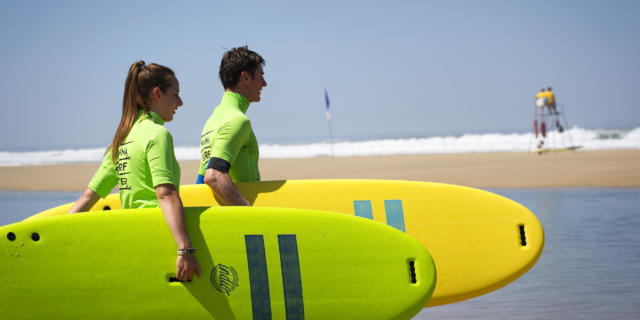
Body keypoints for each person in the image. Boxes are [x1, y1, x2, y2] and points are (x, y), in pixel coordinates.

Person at [68, 61, 201, 282]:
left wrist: (61, 231)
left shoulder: (123, 138)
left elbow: (89, 196)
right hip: (159, 234)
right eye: (175, 94)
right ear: (157, 93)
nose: (180, 102)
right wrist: (185, 249)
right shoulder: (157, 135)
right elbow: (165, 194)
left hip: (132, 236)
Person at [197, 46, 267, 206]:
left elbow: (200, 181)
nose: (264, 83)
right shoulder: (237, 120)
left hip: (219, 217)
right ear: (245, 77)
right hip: (237, 219)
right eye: (260, 76)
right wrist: (247, 212)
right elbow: (213, 175)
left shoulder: (211, 121)